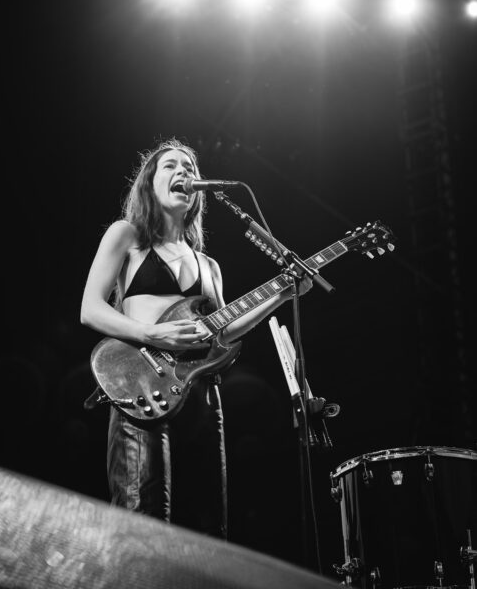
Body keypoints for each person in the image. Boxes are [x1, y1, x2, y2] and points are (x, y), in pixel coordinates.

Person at [80, 138, 311, 538]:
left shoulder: (208, 265)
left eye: (189, 168)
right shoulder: (128, 235)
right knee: (144, 519)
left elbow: (223, 330)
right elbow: (90, 309)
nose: (183, 172)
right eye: (170, 166)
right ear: (149, 182)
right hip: (142, 388)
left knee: (209, 527)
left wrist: (282, 294)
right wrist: (150, 332)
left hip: (201, 395)